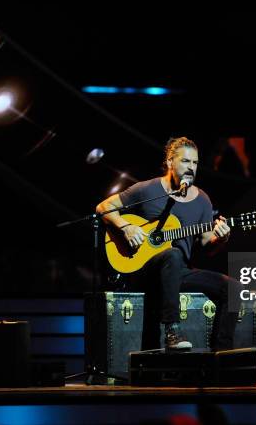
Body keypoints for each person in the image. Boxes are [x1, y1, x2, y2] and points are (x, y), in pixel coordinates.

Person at [95, 137, 242, 350]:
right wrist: (125, 226)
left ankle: (222, 355)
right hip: (143, 270)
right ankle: (173, 330)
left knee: (234, 288)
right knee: (172, 254)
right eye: (186, 161)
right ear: (170, 161)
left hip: (178, 272)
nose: (191, 167)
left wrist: (221, 238)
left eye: (195, 163)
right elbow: (103, 207)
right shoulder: (147, 189)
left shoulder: (202, 200)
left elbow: (208, 245)